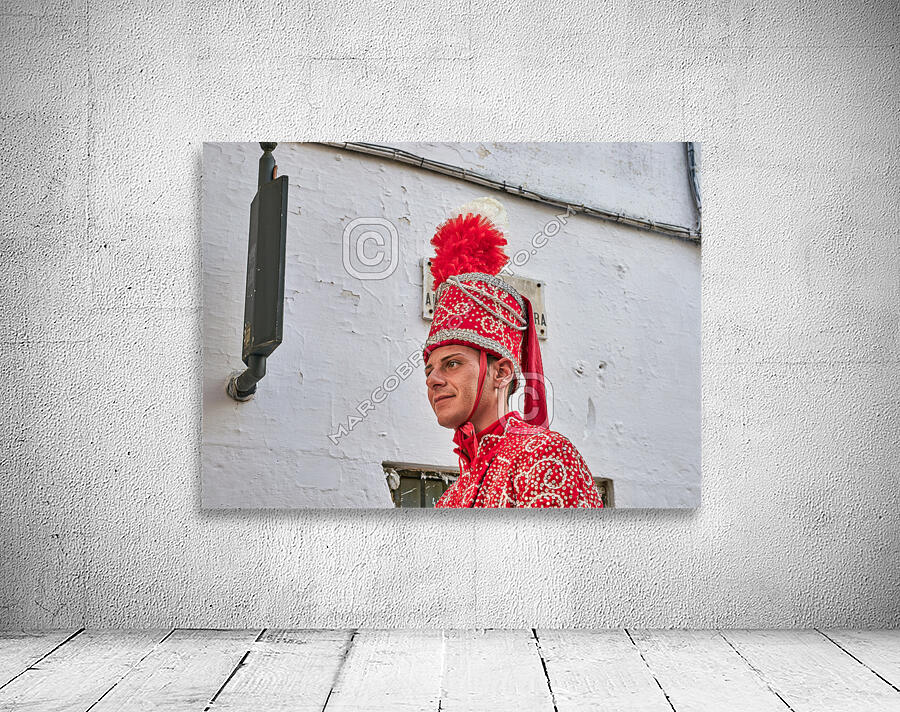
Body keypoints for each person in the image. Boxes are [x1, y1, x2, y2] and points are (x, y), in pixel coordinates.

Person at [423, 197, 604, 508]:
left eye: (452, 364)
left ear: (502, 372)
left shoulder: (543, 454)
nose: (433, 380)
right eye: (429, 369)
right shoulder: (453, 496)